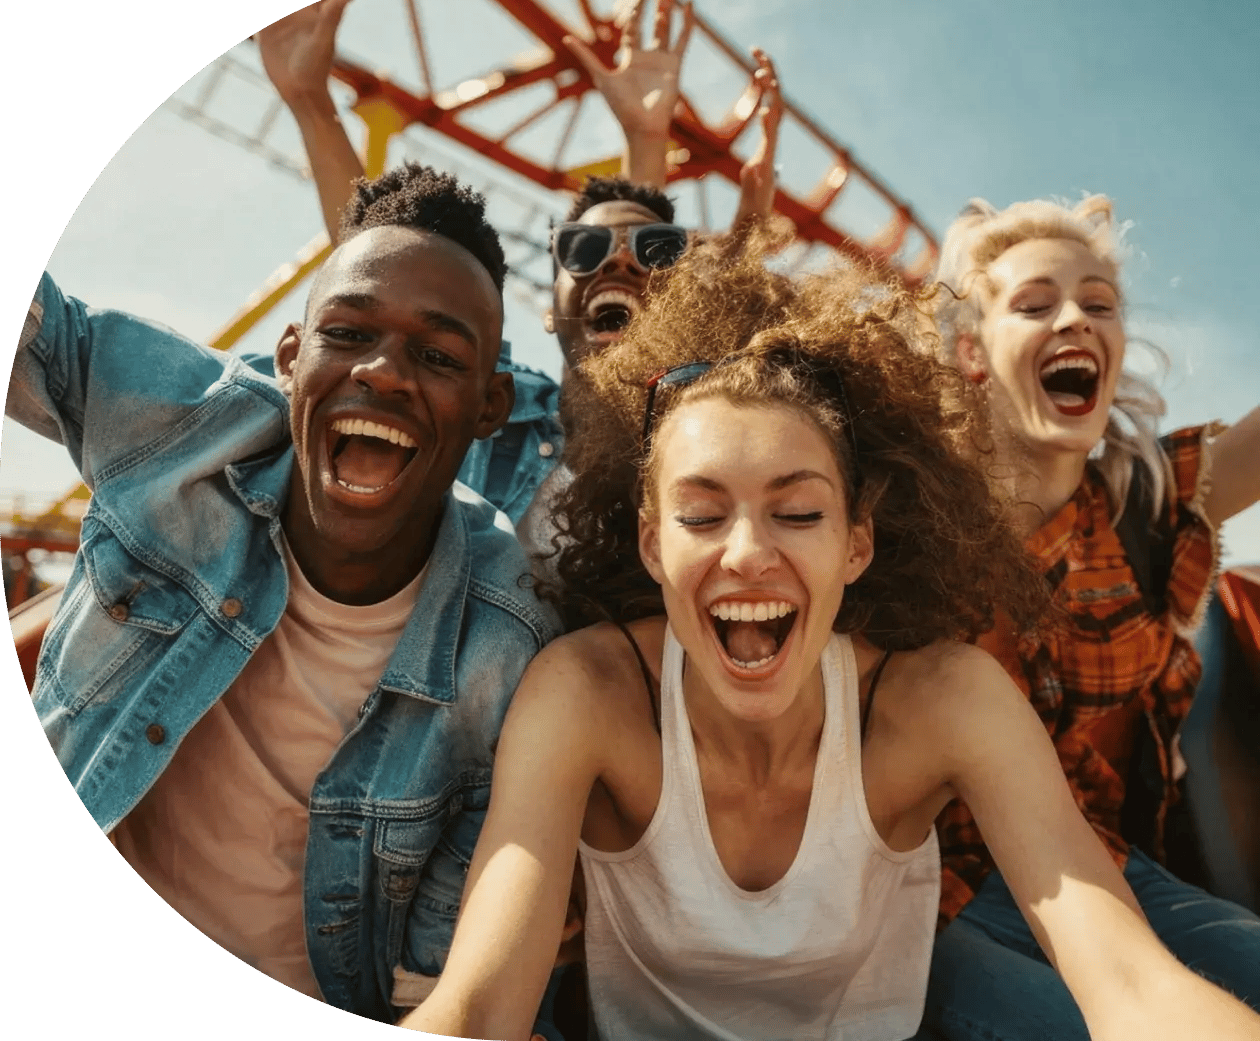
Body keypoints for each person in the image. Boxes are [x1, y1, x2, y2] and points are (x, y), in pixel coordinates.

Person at [388, 244, 1260, 1041]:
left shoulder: (942, 702)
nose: (748, 554)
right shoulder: (586, 694)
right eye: (701, 514)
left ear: (857, 543)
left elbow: (1133, 988)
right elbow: (479, 1003)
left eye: (798, 512)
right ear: (654, 544)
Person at [10, 165, 564, 1030]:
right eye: (347, 333)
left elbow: (433, 983)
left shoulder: (507, 643)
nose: (382, 372)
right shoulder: (184, 427)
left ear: (491, 404)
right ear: (291, 356)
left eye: (439, 355)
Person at [256, 0, 783, 531]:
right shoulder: (490, 410)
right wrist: (311, 103)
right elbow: (386, 267)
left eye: (656, 253)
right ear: (551, 308)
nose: (621, 263)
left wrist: (648, 143)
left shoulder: (700, 445)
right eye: (584, 251)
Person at [926, 194, 1260, 1039]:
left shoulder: (1144, 510)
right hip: (929, 894)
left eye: (1099, 303)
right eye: (1036, 304)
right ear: (972, 350)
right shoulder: (904, 522)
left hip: (1107, 869)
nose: (1075, 317)